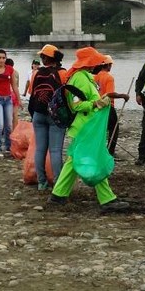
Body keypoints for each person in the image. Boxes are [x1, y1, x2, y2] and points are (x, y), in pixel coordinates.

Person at [48, 47, 129, 212]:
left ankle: (58, 195)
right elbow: (77, 105)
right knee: (94, 160)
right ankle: (107, 200)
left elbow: (90, 99)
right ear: (89, 62)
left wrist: (109, 98)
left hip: (84, 126)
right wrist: (98, 103)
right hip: (85, 127)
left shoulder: (84, 77)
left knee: (73, 161)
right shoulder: (80, 79)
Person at [28, 45, 67, 190]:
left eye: (42, 56)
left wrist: (34, 115)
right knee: (55, 150)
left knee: (40, 149)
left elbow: (33, 95)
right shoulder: (63, 73)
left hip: (38, 114)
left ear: (46, 58)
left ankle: (41, 182)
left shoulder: (36, 74)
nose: (41, 58)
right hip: (55, 115)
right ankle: (58, 184)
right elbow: (67, 95)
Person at [94, 54, 130, 156]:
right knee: (114, 129)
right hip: (108, 106)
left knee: (100, 129)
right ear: (108, 65)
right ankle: (110, 151)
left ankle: (98, 149)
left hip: (97, 106)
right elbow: (109, 94)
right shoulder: (108, 77)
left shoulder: (95, 76)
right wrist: (123, 96)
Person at [5, 58, 22, 128]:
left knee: (6, 114)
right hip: (15, 94)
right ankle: (14, 131)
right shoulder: (16, 72)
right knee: (15, 114)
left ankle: (5, 129)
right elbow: (17, 86)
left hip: (7, 94)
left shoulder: (4, 72)